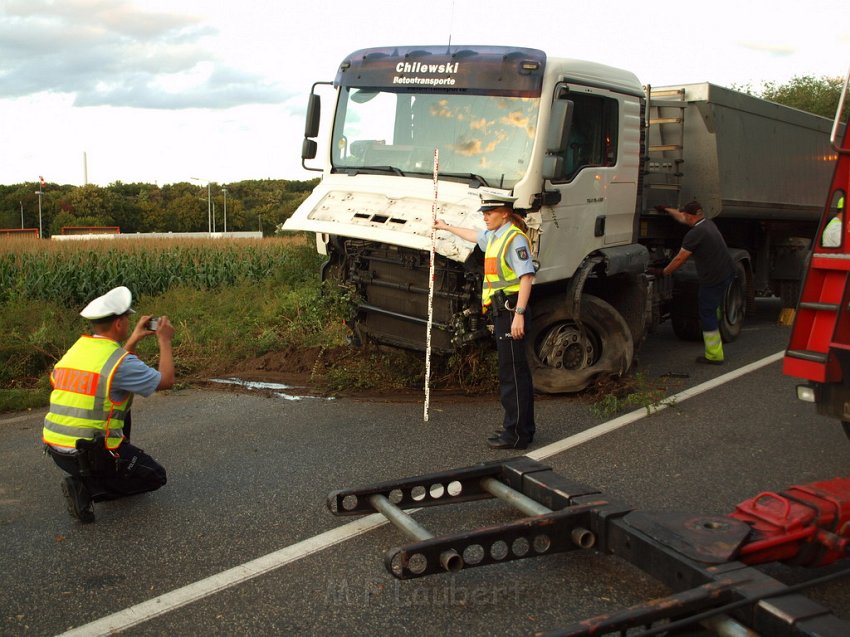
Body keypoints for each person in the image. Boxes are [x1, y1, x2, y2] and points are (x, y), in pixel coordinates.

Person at [42, 286, 175, 523]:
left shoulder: (79, 349)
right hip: (89, 455)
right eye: (127, 318)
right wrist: (164, 341)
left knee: (120, 400)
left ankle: (106, 471)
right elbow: (165, 381)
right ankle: (88, 489)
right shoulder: (119, 363)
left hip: (57, 450)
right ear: (119, 324)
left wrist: (133, 339)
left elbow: (111, 371)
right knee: (156, 477)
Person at [434, 189, 536, 449]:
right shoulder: (495, 236)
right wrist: (446, 227)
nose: (485, 217)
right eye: (484, 213)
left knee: (513, 373)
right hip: (502, 310)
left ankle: (517, 435)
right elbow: (475, 236)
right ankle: (516, 427)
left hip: (512, 309)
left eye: (489, 213)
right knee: (509, 371)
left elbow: (527, 277)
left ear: (505, 213)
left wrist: (519, 316)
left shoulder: (514, 239)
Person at [657, 201, 735, 365]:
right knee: (713, 306)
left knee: (706, 313)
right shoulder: (708, 224)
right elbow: (680, 216)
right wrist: (667, 209)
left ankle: (714, 355)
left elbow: (680, 258)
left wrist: (664, 272)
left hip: (712, 278)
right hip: (726, 272)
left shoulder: (695, 234)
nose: (682, 216)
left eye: (685, 214)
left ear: (691, 216)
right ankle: (717, 317)